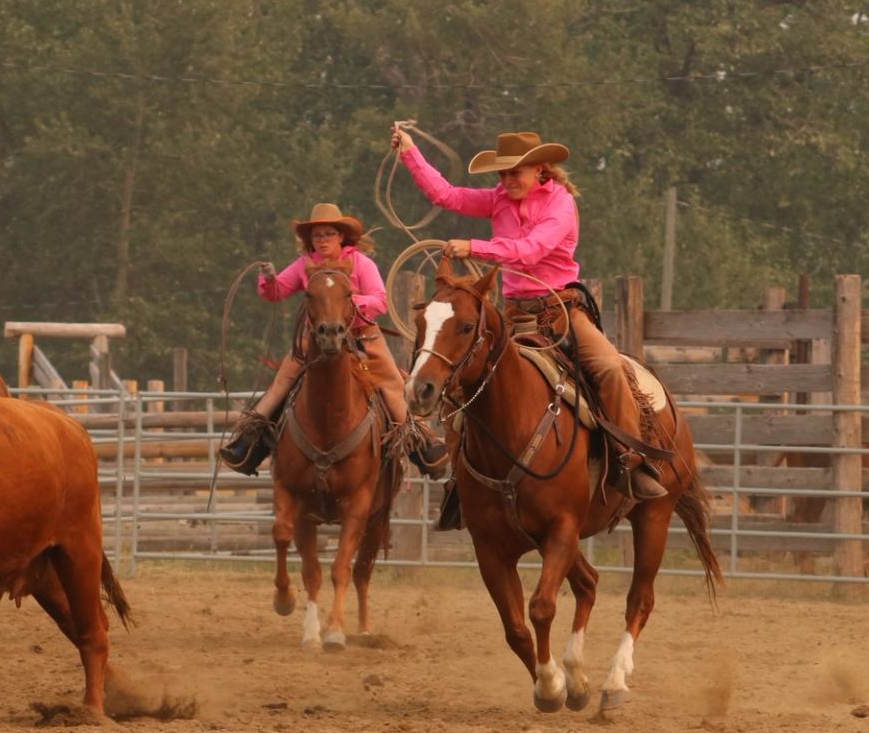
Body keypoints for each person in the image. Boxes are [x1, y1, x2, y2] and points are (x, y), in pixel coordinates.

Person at [392, 126, 668, 499]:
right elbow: (446, 195)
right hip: (513, 313)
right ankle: (462, 475)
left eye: (514, 172)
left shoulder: (560, 204)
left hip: (561, 313)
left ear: (540, 169)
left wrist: (474, 247)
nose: (507, 181)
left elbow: (531, 249)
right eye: (502, 174)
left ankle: (628, 460)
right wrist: (410, 152)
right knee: (462, 384)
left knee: (608, 368)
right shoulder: (497, 199)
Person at [218, 204, 450, 478]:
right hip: (314, 342)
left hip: (362, 341)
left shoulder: (362, 263)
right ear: (310, 240)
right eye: (317, 235)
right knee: (284, 380)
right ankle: (248, 442)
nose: (323, 239)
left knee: (388, 382)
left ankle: (422, 443)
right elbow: (276, 292)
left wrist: (348, 305)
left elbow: (379, 300)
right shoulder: (304, 265)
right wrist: (269, 279)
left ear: (341, 236)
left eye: (329, 233)